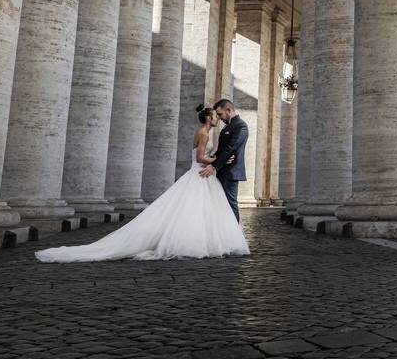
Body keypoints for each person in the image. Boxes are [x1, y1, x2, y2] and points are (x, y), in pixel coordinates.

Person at [35, 105, 249, 262]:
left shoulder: (211, 132)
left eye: (219, 115)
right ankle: (196, 242)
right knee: (192, 210)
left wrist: (216, 159)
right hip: (200, 172)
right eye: (216, 116)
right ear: (209, 118)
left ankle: (208, 240)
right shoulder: (203, 133)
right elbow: (200, 157)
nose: (218, 119)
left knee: (197, 210)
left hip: (203, 174)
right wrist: (215, 161)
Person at [199, 99, 249, 221]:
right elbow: (222, 150)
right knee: (221, 204)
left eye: (220, 114)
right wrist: (213, 159)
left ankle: (234, 236)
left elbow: (231, 147)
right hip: (223, 170)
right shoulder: (229, 126)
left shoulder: (241, 126)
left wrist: (214, 165)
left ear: (229, 110)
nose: (219, 118)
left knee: (230, 204)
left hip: (231, 171)